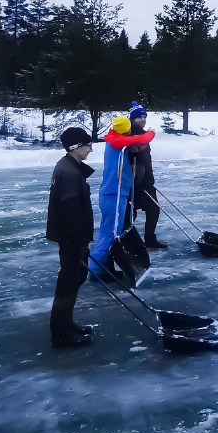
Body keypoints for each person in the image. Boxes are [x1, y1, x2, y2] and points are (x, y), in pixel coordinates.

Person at [88, 115, 155, 280]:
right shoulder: (117, 141)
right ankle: (96, 271)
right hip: (114, 193)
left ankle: (101, 269)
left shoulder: (115, 139)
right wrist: (151, 133)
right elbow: (145, 138)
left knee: (111, 232)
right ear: (127, 130)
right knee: (110, 234)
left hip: (116, 192)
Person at [47, 127, 96, 348]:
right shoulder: (69, 172)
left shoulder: (69, 167)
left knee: (74, 279)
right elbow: (70, 210)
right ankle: (60, 334)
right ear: (75, 148)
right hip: (71, 238)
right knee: (68, 282)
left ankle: (65, 324)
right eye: (87, 145)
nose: (91, 149)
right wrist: (78, 242)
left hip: (71, 238)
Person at [124, 101, 165, 250]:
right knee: (130, 213)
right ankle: (129, 242)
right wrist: (130, 151)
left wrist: (149, 176)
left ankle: (149, 239)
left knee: (154, 209)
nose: (143, 119)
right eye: (140, 117)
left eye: (144, 117)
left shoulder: (143, 135)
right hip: (132, 183)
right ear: (132, 119)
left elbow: (147, 159)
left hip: (145, 181)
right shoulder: (129, 135)